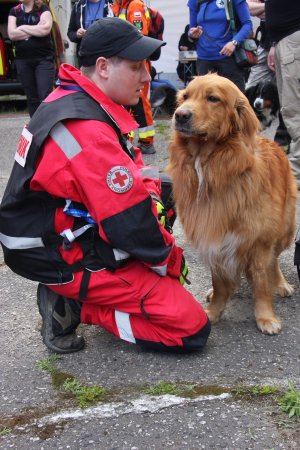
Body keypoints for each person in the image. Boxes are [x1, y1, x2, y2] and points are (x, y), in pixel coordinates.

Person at [0, 17, 211, 355]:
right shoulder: (87, 130)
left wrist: (151, 199)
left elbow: (128, 171)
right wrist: (169, 260)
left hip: (60, 228)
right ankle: (74, 306)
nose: (147, 77)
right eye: (136, 67)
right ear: (102, 67)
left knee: (166, 185)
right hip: (60, 251)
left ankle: (107, 285)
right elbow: (128, 222)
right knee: (189, 327)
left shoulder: (76, 96)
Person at [112, 0, 157, 155]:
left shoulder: (135, 5)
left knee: (140, 102)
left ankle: (147, 142)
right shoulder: (119, 6)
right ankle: (127, 138)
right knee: (126, 101)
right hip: (125, 60)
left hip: (137, 59)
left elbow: (139, 35)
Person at [246, 0, 291, 151]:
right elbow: (248, 8)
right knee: (249, 92)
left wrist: (267, 9)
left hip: (286, 41)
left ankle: (281, 145)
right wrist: (271, 6)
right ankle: (249, 140)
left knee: (288, 98)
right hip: (264, 44)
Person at [265, 0, 300, 189]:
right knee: (289, 110)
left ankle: (296, 173)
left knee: (294, 110)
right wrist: (274, 44)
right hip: (284, 40)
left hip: (294, 39)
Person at [188, 0, 253, 92]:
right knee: (206, 103)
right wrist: (192, 34)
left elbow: (247, 24)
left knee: (235, 103)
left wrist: (234, 42)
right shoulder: (194, 1)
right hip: (204, 60)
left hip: (229, 59)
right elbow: (191, 28)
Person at [7, 0, 55, 117]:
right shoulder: (14, 11)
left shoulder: (43, 8)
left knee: (45, 95)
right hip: (23, 60)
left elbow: (45, 30)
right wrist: (34, 30)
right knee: (31, 97)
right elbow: (12, 34)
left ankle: (48, 128)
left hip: (43, 59)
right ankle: (35, 129)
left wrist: (22, 28)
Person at [67, 0, 113, 64]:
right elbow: (70, 33)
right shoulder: (78, 6)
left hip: (106, 54)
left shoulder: (111, 5)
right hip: (85, 55)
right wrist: (77, 34)